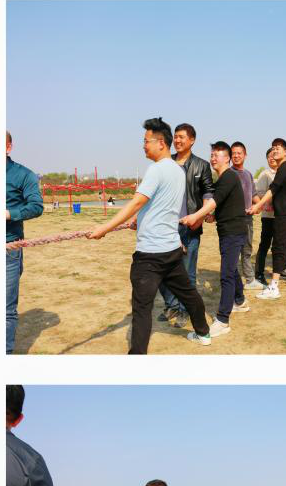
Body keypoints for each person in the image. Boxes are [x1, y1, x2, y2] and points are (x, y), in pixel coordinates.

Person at [87, 117, 211, 351]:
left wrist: (104, 229)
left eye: (146, 141)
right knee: (188, 294)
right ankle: (203, 332)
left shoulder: (156, 170)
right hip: (171, 251)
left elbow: (136, 202)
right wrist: (140, 219)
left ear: (161, 143)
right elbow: (160, 205)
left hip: (150, 256)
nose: (143, 145)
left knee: (142, 310)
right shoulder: (178, 171)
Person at [180, 141, 250, 336]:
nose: (212, 158)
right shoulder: (222, 180)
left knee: (226, 274)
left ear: (227, 158)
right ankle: (240, 301)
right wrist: (212, 216)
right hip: (228, 231)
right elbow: (224, 205)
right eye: (211, 155)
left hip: (233, 233)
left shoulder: (229, 176)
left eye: (216, 155)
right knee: (231, 269)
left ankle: (223, 320)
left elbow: (213, 202)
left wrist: (196, 216)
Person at [158, 122, 214, 326]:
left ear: (192, 140)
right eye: (175, 136)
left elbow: (208, 193)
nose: (177, 140)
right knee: (162, 270)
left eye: (181, 137)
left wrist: (200, 217)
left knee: (187, 272)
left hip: (190, 226)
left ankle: (184, 310)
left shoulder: (201, 165)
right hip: (167, 226)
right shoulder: (166, 163)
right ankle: (171, 305)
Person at [247, 138, 286, 298]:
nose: (275, 150)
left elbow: (273, 189)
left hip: (284, 215)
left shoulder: (284, 168)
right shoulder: (282, 169)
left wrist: (258, 205)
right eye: (273, 148)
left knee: (278, 247)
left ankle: (274, 287)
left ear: (285, 152)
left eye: (278, 148)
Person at [5, 130, 43, 354]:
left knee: (5, 309)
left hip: (9, 248)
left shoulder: (24, 175)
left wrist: (9, 214)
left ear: (8, 147)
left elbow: (36, 206)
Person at [230, 141, 261, 290]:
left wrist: (259, 205)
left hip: (247, 219)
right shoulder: (229, 174)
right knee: (233, 252)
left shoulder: (248, 174)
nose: (236, 156)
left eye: (239, 153)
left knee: (247, 250)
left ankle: (249, 279)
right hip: (233, 219)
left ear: (245, 155)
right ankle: (232, 280)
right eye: (233, 153)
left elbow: (253, 194)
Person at [252, 148, 278, 286]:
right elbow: (259, 194)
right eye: (269, 156)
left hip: (281, 216)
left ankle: (279, 270)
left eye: (274, 155)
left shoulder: (283, 172)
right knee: (264, 245)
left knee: (279, 246)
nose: (271, 158)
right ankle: (259, 273)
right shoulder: (265, 174)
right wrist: (268, 203)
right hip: (268, 216)